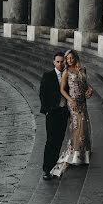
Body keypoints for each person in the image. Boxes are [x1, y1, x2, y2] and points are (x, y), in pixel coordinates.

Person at [50, 49, 94, 178]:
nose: (69, 60)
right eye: (67, 58)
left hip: (82, 101)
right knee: (77, 127)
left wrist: (90, 90)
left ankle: (83, 154)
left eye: (71, 58)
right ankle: (74, 154)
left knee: (84, 127)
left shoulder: (82, 69)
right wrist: (70, 100)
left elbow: (86, 85)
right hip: (73, 103)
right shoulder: (66, 72)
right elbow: (62, 90)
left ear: (75, 58)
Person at [39, 52, 69, 181]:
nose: (60, 64)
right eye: (58, 61)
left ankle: (54, 167)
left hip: (63, 112)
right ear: (54, 62)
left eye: (62, 61)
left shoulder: (67, 75)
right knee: (50, 141)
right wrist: (46, 110)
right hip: (52, 113)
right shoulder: (48, 76)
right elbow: (42, 94)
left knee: (59, 141)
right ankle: (46, 169)